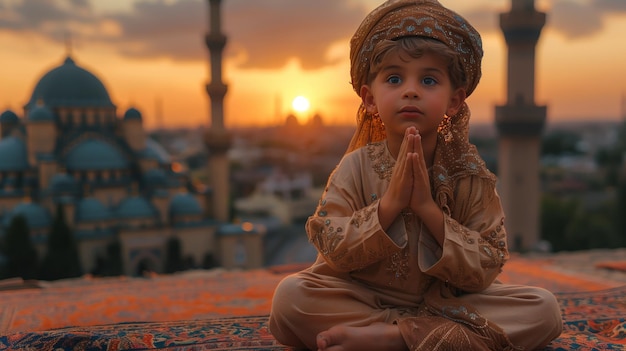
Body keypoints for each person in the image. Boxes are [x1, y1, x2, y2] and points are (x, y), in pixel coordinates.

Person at [268, 0, 563, 350]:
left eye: (428, 79)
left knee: (543, 310)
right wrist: (388, 206)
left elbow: (487, 264)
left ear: (454, 101)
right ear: (369, 98)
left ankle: (389, 338)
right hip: (365, 299)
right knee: (290, 298)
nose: (411, 90)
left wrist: (428, 210)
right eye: (394, 78)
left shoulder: (468, 175)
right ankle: (422, 336)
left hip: (449, 301)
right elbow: (333, 246)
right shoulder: (357, 166)